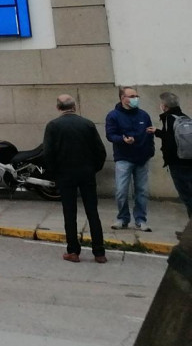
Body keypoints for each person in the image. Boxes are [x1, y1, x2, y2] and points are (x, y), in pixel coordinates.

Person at [43, 94, 108, 264]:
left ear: (58, 108)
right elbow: (100, 151)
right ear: (75, 107)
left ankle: (73, 250)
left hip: (65, 174)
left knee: (69, 213)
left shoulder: (53, 126)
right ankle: (99, 252)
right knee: (92, 212)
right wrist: (93, 168)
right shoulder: (87, 124)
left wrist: (53, 173)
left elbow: (48, 153)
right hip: (86, 173)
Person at [105, 86, 156, 231]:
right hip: (124, 158)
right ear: (123, 98)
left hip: (142, 157)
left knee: (142, 191)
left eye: (136, 96)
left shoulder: (143, 115)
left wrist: (150, 151)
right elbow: (110, 135)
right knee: (121, 191)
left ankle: (140, 219)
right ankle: (123, 218)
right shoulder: (113, 115)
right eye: (132, 96)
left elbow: (149, 133)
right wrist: (123, 139)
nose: (135, 98)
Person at [154, 91, 192, 227]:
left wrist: (158, 134)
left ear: (165, 106)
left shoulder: (169, 118)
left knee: (186, 196)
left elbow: (169, 140)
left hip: (177, 163)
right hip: (189, 160)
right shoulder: (185, 117)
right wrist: (157, 132)